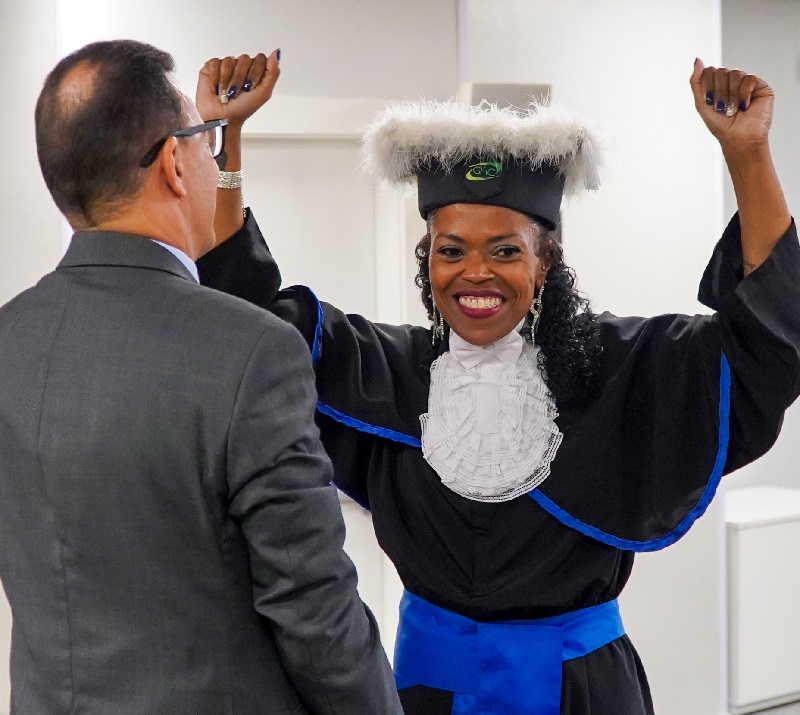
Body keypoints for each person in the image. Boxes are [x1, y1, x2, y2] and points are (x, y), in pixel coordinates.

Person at [197, 53, 800, 715]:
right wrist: (226, 143)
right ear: (429, 262)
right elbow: (249, 321)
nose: (475, 272)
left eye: (506, 250)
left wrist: (748, 155)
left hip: (580, 693)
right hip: (429, 690)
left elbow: (767, 348)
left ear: (544, 262)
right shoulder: (387, 372)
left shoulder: (619, 368)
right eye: (451, 250)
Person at [0, 40, 402, 715]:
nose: (212, 161)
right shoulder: (253, 353)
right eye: (204, 143)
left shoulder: (10, 340)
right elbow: (317, 619)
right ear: (172, 164)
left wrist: (226, 135)